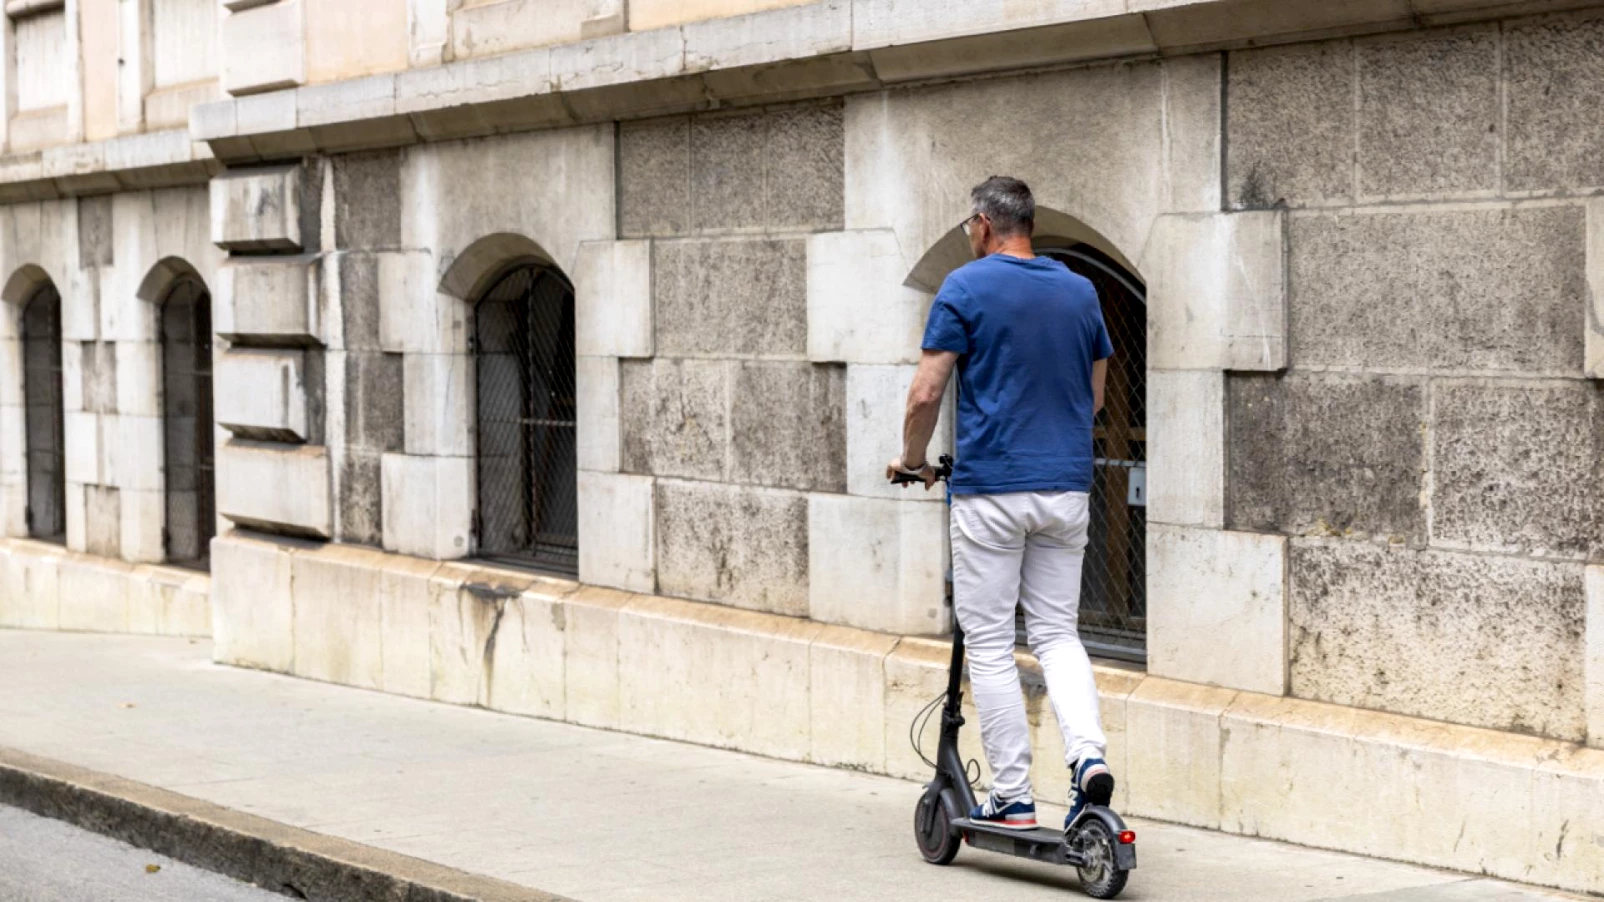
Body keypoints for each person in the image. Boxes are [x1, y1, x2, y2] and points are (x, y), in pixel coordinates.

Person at [887, 176, 1114, 832]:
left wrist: (910, 461)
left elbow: (926, 393)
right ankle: (1087, 756)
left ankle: (1012, 797)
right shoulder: (1081, 290)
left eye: (967, 229)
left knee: (987, 641)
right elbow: (1094, 399)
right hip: (1065, 488)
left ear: (984, 225)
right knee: (1056, 632)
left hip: (991, 491)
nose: (968, 238)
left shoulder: (966, 286)